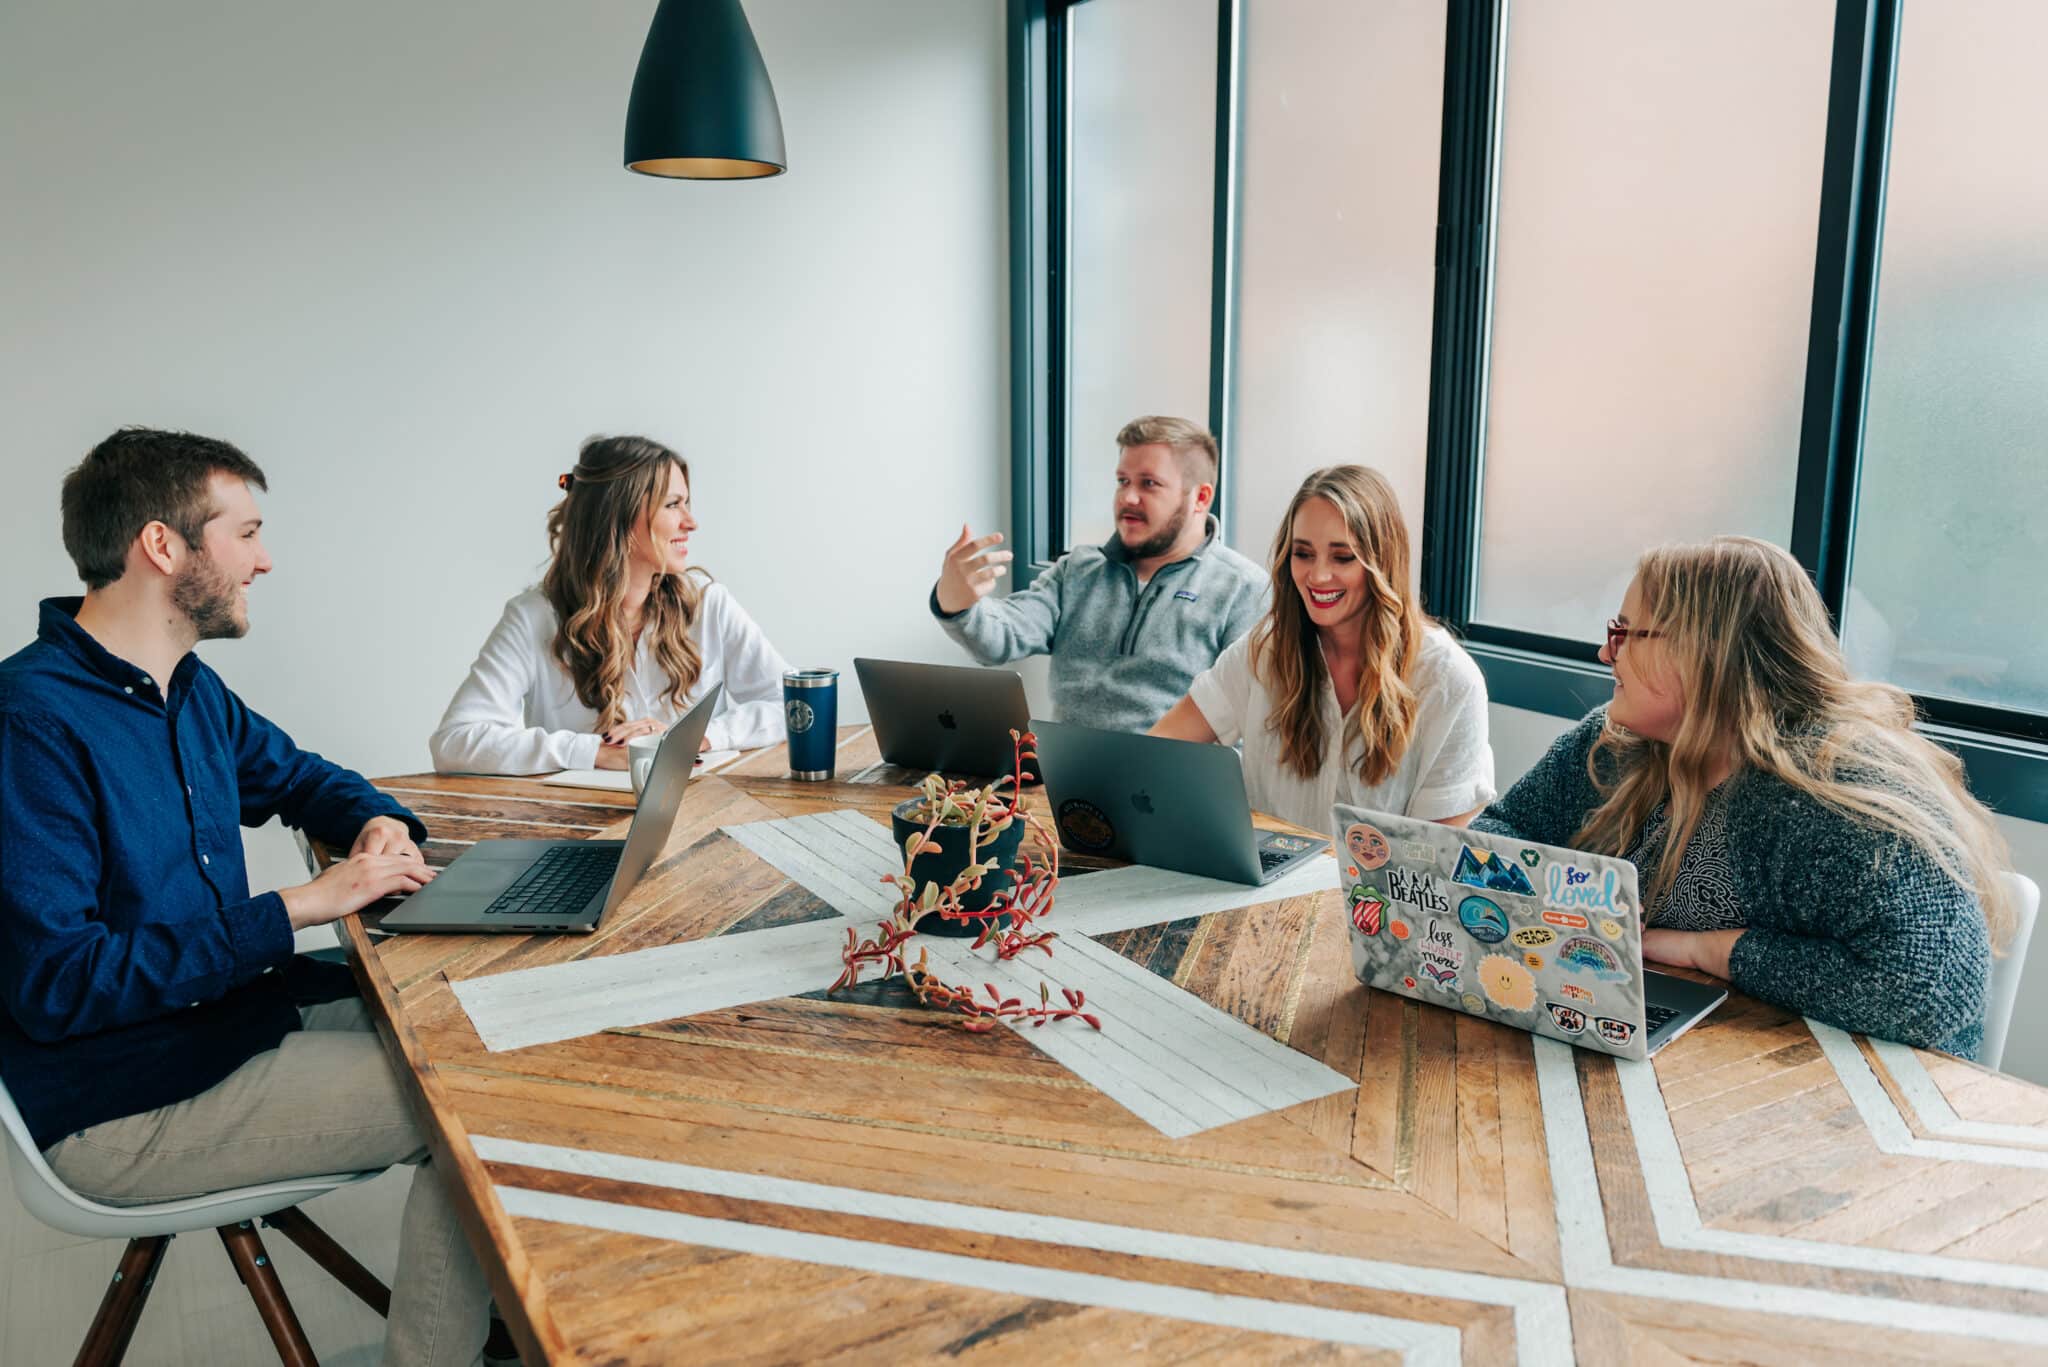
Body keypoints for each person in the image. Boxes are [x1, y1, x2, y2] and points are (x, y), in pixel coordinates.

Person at [0, 428, 489, 1366]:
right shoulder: (31, 720)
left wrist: (380, 824)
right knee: (480, 1098)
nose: (264, 560)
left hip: (226, 1021)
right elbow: (57, 981)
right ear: (163, 546)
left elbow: (310, 780)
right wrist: (302, 905)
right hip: (121, 1097)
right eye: (247, 532)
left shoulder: (191, 691)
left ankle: (483, 1320)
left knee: (470, 1019)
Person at [1471, 536, 2012, 1057]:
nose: (1603, 652)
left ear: (1706, 651)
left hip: (1856, 1091)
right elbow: (1497, 836)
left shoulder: (1830, 789)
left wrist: (1706, 950)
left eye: (1626, 634)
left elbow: (1933, 993)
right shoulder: (1611, 745)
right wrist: (1560, 893)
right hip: (1668, 1045)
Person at [1151, 464, 1495, 832]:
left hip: (1379, 891)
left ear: (1382, 561)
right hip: (1263, 886)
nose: (1317, 576)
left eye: (1342, 557)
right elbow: (1155, 754)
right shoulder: (1263, 651)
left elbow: (1436, 859)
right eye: (1303, 554)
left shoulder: (1448, 680)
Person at [431, 434, 791, 774]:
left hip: (700, 813)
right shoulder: (534, 617)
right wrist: (595, 753)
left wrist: (692, 738)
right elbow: (454, 741)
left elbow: (792, 707)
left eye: (686, 503)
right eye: (673, 505)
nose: (690, 522)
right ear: (618, 516)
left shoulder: (709, 605)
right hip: (584, 822)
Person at [930, 415, 1267, 733]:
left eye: (1149, 484)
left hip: (1168, 784)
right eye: (1123, 481)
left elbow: (1249, 723)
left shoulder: (1244, 589)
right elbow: (998, 640)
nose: (1128, 497)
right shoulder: (1079, 569)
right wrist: (957, 604)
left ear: (1200, 497)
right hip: (1065, 779)